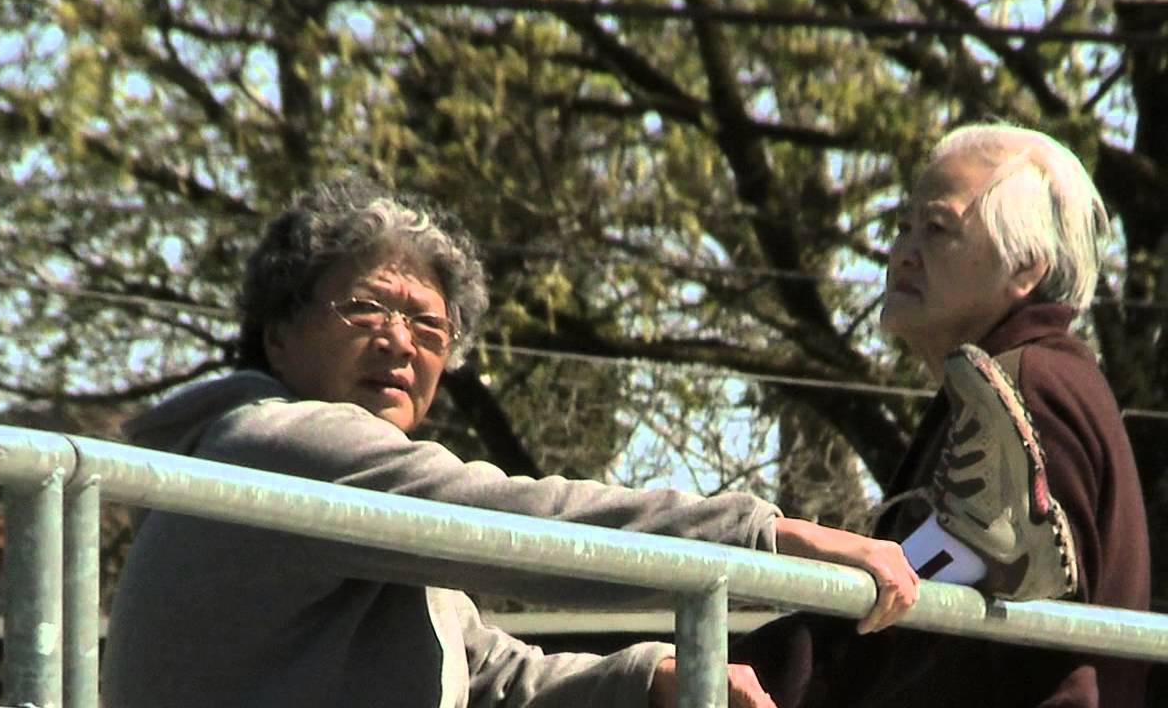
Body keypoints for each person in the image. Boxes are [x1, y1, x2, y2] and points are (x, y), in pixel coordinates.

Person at [100, 178, 918, 708]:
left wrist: (647, 679)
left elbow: (490, 677)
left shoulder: (372, 514)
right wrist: (764, 536)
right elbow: (521, 525)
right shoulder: (280, 442)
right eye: (367, 309)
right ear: (278, 336)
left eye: (428, 323)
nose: (400, 341)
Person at [731, 123, 1151, 707]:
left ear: (1025, 265)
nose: (902, 252)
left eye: (937, 229)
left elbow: (924, 616)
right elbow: (907, 600)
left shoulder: (1027, 387)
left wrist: (721, 661)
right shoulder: (1016, 382)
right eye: (902, 226)